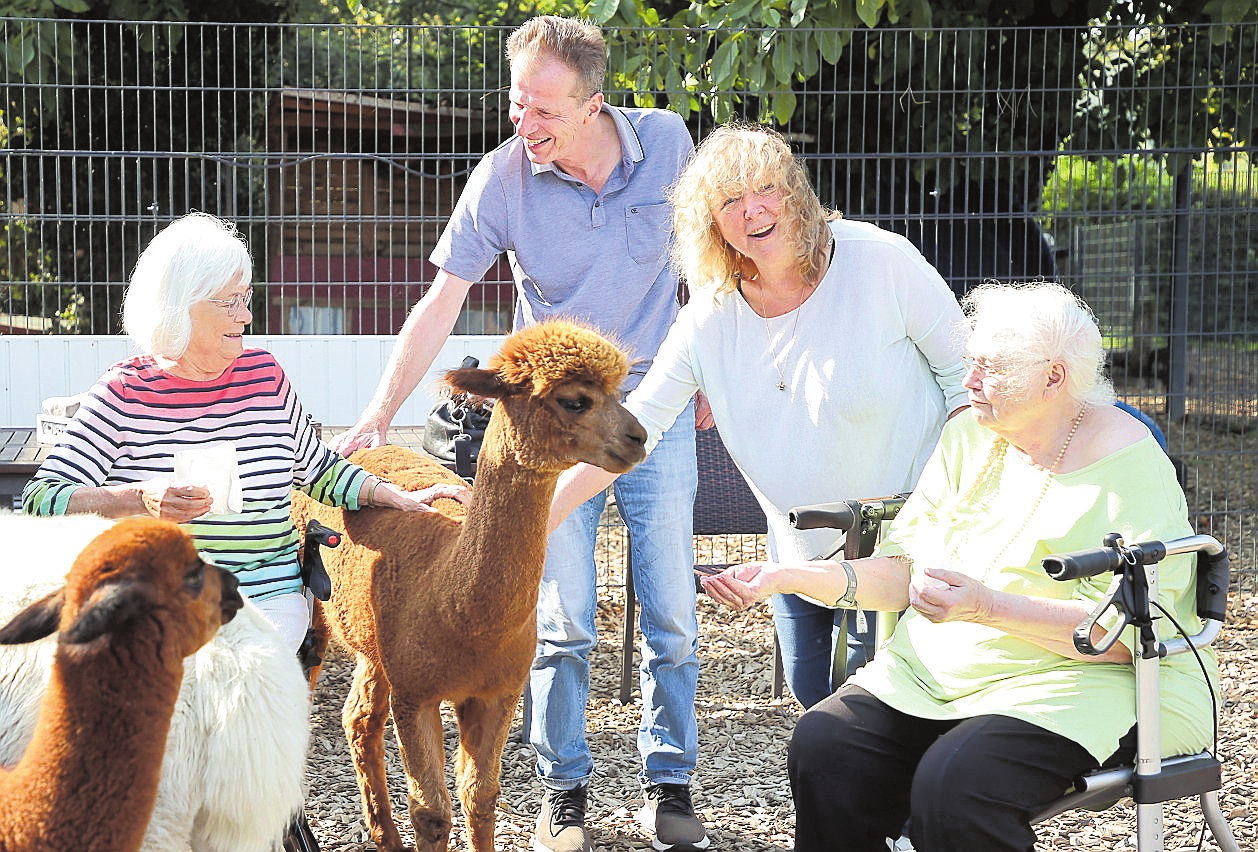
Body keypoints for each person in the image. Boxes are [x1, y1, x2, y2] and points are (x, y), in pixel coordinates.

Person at [325, 17, 704, 852]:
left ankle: (669, 783)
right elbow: (443, 300)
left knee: (672, 611)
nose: (522, 124)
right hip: (549, 428)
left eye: (542, 111)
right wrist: (380, 412)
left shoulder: (670, 144)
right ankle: (560, 790)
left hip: (654, 412)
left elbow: (704, 263)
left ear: (595, 103)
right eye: (515, 102)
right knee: (555, 617)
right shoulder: (502, 178)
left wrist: (708, 367)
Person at [700, 281, 1218, 852]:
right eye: (971, 363)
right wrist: (790, 577)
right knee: (827, 743)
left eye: (991, 369)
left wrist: (987, 607)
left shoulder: (1128, 459)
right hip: (940, 676)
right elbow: (902, 573)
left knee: (957, 785)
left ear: (1054, 377)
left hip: (1080, 685)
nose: (969, 382)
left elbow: (1126, 636)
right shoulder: (968, 434)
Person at [551, 123, 967, 711]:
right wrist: (537, 517)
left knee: (894, 714)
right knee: (817, 700)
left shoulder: (881, 261)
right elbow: (636, 427)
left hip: (909, 550)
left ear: (794, 192)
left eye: (765, 188)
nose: (753, 211)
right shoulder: (710, 317)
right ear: (709, 222)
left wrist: (953, 505)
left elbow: (967, 382)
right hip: (798, 560)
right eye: (729, 201)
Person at [22, 212, 468, 654]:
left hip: (268, 599)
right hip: (160, 598)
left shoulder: (265, 375)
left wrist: (394, 495)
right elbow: (42, 499)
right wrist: (140, 500)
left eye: (246, 296)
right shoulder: (124, 392)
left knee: (243, 674)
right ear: (180, 304)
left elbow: (318, 470)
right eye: (230, 301)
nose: (247, 313)